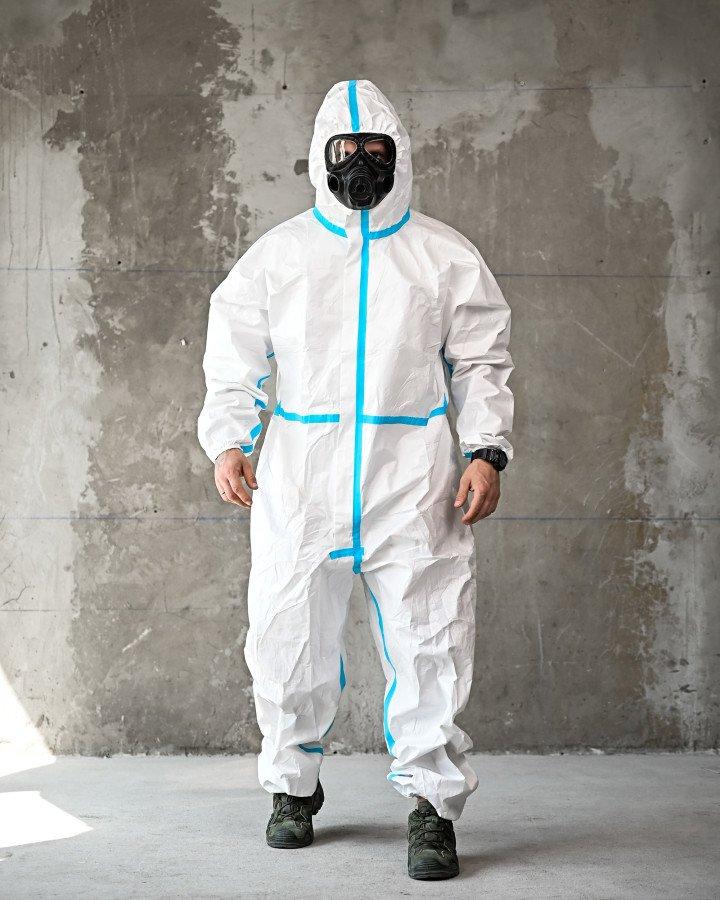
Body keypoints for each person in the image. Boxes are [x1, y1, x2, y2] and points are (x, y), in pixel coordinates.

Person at [198, 79, 513, 881]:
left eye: (376, 150)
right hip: (302, 478)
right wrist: (230, 441)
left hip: (414, 480)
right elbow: (234, 357)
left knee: (432, 638)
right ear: (321, 157)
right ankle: (292, 789)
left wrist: (486, 450)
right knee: (286, 639)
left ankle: (432, 808)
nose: (361, 165)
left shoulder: (443, 255)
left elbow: (481, 360)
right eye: (347, 152)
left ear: (398, 155)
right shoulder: (281, 256)